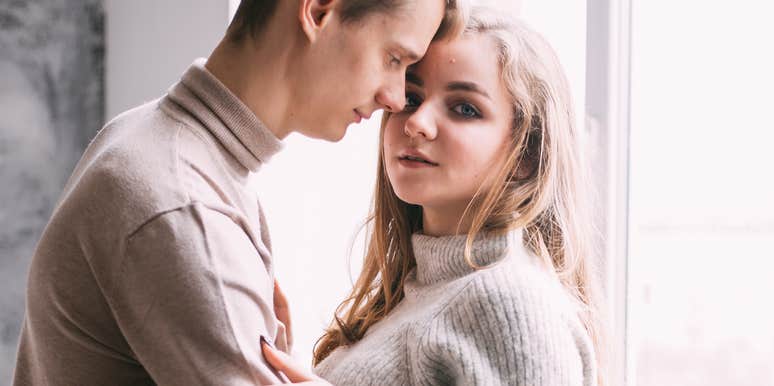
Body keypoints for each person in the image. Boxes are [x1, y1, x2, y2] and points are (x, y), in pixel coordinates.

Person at [12, 1, 466, 385]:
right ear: (319, 11)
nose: (394, 96)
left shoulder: (156, 143)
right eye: (393, 58)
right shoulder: (182, 203)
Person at [262, 7, 607, 386]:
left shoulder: (510, 302)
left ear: (524, 156)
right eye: (411, 97)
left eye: (464, 108)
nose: (416, 123)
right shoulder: (417, 293)